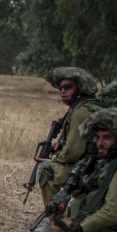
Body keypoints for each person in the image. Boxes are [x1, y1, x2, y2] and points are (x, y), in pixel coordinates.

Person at [37, 67, 101, 217]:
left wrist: (55, 159)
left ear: (80, 88)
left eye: (68, 87)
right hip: (93, 165)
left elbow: (73, 152)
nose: (63, 91)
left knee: (47, 170)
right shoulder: (84, 107)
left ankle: (55, 220)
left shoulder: (81, 112)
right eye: (61, 87)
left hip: (90, 169)